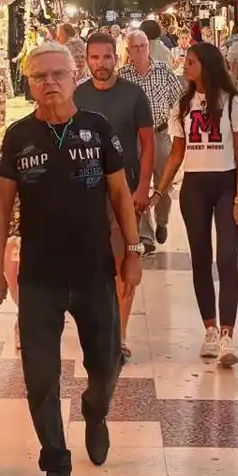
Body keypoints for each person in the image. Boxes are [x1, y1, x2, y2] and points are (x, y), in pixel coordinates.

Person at [0, 41, 141, 476]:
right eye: (38, 76)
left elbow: (121, 195)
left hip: (93, 272)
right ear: (28, 84)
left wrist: (132, 252)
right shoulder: (17, 137)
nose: (49, 83)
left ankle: (95, 410)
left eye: (57, 74)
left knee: (106, 364)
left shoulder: (97, 129)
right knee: (40, 377)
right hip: (39, 278)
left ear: (74, 78)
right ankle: (56, 463)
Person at [153, 40, 238, 366]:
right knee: (200, 259)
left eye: (191, 62)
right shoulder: (183, 105)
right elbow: (177, 153)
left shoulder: (233, 102)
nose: (185, 66)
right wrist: (159, 190)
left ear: (205, 65)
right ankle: (209, 329)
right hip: (194, 188)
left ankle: (228, 335)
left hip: (226, 185)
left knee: (226, 259)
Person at [76, 30, 155, 357]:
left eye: (107, 57)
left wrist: (143, 187)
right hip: (86, 194)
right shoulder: (77, 96)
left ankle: (119, 336)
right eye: (94, 57)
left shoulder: (134, 96)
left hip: (125, 193)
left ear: (116, 57)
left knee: (126, 262)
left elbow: (148, 143)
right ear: (86, 60)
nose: (101, 63)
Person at [122, 27, 181, 252]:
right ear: (128, 50)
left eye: (142, 46)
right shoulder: (123, 76)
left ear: (149, 46)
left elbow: (179, 99)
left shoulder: (163, 70)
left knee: (163, 184)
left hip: (160, 134)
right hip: (135, 137)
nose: (139, 51)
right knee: (139, 185)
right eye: (134, 48)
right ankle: (145, 236)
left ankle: (163, 220)